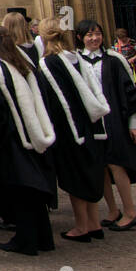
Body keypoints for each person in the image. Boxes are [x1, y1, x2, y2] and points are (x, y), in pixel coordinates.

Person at [0, 24, 56, 256]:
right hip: (32, 131)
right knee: (33, 190)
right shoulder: (23, 64)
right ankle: (44, 237)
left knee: (20, 190)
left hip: (12, 139)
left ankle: (26, 240)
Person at [35, 17, 109, 242]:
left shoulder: (49, 62)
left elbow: (57, 101)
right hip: (88, 123)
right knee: (88, 172)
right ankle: (94, 223)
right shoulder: (74, 57)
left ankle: (81, 227)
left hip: (70, 128)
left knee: (75, 177)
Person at [76, 19, 136, 230]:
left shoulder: (114, 61)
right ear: (80, 38)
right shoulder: (77, 62)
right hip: (92, 123)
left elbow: (129, 93)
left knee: (117, 165)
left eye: (97, 33)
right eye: (89, 35)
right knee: (102, 168)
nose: (94, 38)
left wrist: (134, 123)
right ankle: (112, 210)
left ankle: (130, 211)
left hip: (115, 120)